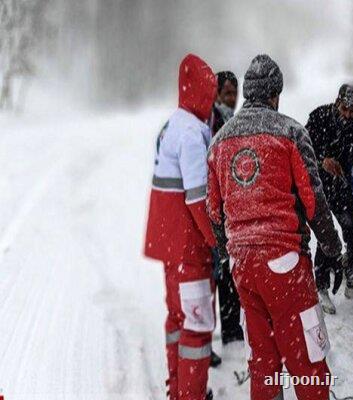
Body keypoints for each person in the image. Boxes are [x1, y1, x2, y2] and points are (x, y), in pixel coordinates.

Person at [207, 54, 343, 400]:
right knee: (307, 361)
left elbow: (214, 210)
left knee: (264, 362)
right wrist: (332, 247)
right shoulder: (290, 133)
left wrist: (229, 251)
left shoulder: (219, 142)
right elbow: (313, 199)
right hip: (285, 266)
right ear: (274, 95)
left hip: (244, 270)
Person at [144, 54, 217, 400]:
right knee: (198, 326)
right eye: (211, 92)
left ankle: (178, 390)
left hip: (169, 244)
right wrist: (214, 239)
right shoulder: (190, 134)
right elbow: (197, 198)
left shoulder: (170, 125)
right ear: (202, 92)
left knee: (177, 319)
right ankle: (192, 395)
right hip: (190, 248)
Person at [305, 84, 353, 315]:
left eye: (352, 111)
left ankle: (352, 282)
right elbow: (302, 151)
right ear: (337, 102)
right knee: (327, 232)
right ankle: (321, 286)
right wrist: (322, 160)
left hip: (342, 184)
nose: (348, 115)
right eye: (345, 109)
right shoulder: (319, 116)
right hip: (319, 185)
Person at [210, 71, 245, 346]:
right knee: (223, 269)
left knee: (229, 267)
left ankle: (232, 326)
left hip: (228, 205)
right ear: (216, 93)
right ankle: (230, 329)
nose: (232, 99)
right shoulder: (214, 121)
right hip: (219, 207)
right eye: (227, 93)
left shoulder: (230, 119)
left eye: (235, 93)